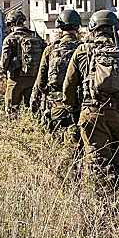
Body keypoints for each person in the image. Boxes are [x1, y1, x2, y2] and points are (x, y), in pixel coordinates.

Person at [62, 10, 119, 199]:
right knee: (116, 161)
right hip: (118, 115)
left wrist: (72, 109)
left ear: (93, 29)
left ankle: (99, 208)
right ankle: (113, 200)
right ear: (115, 28)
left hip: (92, 113)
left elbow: (69, 86)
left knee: (97, 161)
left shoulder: (82, 50)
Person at [31, 9, 83, 142]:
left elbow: (41, 83)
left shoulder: (50, 50)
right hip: (80, 107)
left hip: (56, 105)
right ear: (77, 27)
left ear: (59, 27)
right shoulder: (84, 49)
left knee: (57, 143)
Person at [0, 10, 46, 115]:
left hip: (15, 80)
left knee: (11, 109)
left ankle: (13, 129)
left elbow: (4, 62)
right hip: (33, 79)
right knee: (33, 110)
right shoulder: (36, 36)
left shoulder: (10, 39)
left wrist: (7, 69)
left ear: (12, 23)